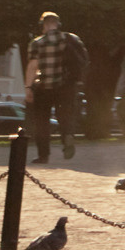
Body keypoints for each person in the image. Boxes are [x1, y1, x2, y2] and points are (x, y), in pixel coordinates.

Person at [22, 11, 88, 164]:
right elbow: (81, 61)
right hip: (66, 87)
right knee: (65, 116)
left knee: (42, 122)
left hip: (44, 87)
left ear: (43, 25)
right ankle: (67, 137)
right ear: (58, 24)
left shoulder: (37, 43)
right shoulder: (71, 39)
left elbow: (33, 66)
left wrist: (28, 88)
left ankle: (43, 155)